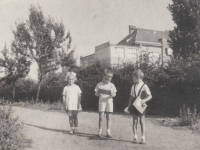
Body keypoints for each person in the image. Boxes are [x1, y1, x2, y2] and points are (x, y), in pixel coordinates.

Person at [126, 69, 152, 144]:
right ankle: (135, 137)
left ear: (138, 77)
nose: (132, 78)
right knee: (134, 121)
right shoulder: (133, 87)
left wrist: (144, 100)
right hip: (134, 105)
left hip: (141, 105)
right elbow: (131, 97)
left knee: (142, 121)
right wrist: (128, 106)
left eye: (133, 77)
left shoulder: (144, 86)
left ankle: (143, 138)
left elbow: (150, 96)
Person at [95, 69, 117, 138]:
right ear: (103, 76)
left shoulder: (112, 85)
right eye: (107, 76)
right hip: (102, 102)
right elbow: (96, 93)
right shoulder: (99, 84)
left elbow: (114, 94)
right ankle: (100, 131)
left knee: (109, 117)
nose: (108, 78)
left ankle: (108, 132)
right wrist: (97, 93)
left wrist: (112, 95)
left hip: (109, 102)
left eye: (110, 77)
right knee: (101, 117)